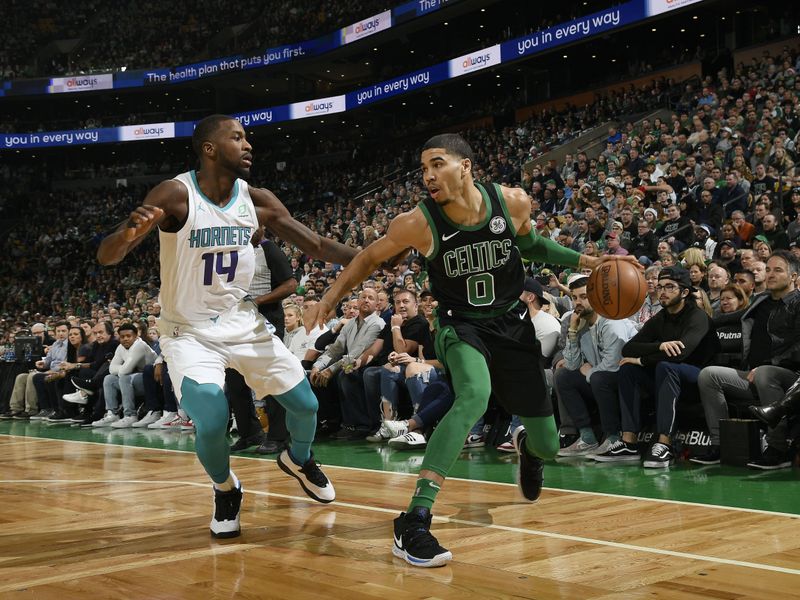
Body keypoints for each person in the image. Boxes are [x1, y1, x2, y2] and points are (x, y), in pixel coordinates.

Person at [304, 133, 639, 567]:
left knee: (550, 445)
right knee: (473, 396)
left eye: (437, 164)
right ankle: (415, 520)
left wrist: (587, 262)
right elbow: (368, 258)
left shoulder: (513, 202)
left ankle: (530, 453)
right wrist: (329, 299)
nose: (427, 175)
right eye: (423, 168)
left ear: (465, 166)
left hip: (512, 325)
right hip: (460, 323)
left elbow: (529, 244)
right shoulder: (417, 222)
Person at [97, 114, 354, 538]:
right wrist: (126, 235)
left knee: (306, 406)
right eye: (237, 137)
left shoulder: (257, 199)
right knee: (213, 418)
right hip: (188, 331)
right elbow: (107, 256)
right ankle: (226, 488)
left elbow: (318, 245)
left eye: (247, 137)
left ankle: (299, 459)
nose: (248, 144)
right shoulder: (176, 194)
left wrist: (372, 255)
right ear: (209, 149)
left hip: (242, 322)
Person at [595, 266, 720, 467]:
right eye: (660, 286)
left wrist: (644, 360)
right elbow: (629, 348)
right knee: (628, 369)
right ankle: (629, 442)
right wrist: (659, 345)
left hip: (699, 378)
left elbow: (681, 354)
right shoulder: (660, 318)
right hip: (666, 375)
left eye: (670, 287)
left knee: (665, 366)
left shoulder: (698, 317)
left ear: (685, 292)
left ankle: (665, 444)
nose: (662, 291)